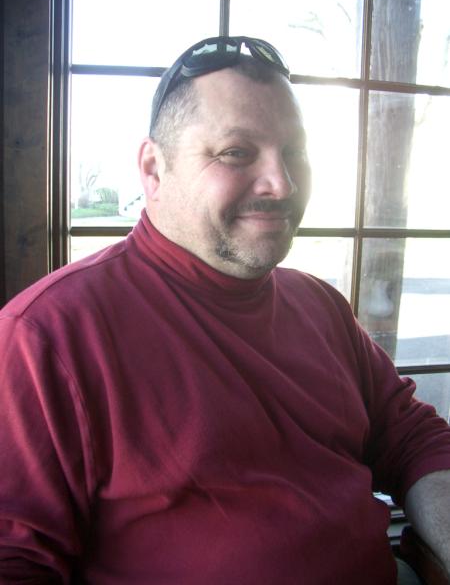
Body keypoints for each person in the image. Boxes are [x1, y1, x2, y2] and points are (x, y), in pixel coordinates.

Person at [0, 36, 449, 585]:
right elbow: (16, 559)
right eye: (236, 152)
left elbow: (413, 439)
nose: (282, 183)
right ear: (153, 169)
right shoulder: (49, 334)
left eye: (295, 151)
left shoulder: (320, 307)